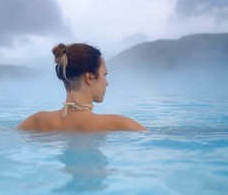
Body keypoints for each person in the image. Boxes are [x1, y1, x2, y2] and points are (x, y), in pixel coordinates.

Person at [18, 43, 146, 132]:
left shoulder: (38, 121)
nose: (107, 83)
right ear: (89, 77)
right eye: (104, 74)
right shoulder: (119, 124)